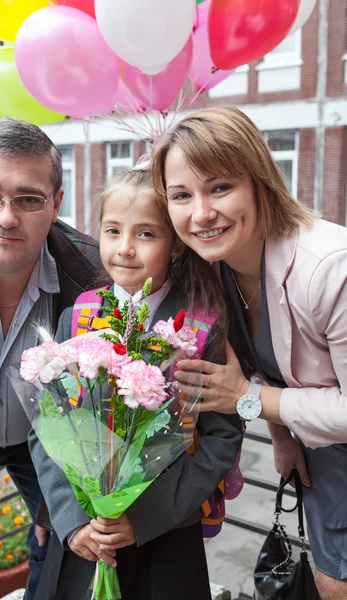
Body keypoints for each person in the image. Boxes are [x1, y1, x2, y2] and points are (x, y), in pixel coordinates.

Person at [150, 106, 347, 600]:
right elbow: (268, 367)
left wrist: (248, 400)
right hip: (322, 450)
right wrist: (281, 437)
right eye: (181, 195)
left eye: (219, 188)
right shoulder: (213, 270)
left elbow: (253, 389)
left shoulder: (330, 270)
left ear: (259, 180)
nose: (200, 214)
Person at [30, 167, 243, 600]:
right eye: (112, 230)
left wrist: (145, 517)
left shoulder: (201, 328)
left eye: (146, 234)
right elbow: (45, 429)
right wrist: (71, 520)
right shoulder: (79, 317)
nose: (125, 249)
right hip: (88, 534)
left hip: (164, 532)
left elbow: (221, 439)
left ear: (176, 247)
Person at [0, 118, 100, 600]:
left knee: (70, 544)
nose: (7, 217)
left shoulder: (95, 279)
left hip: (48, 444)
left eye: (28, 199)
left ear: (56, 203)